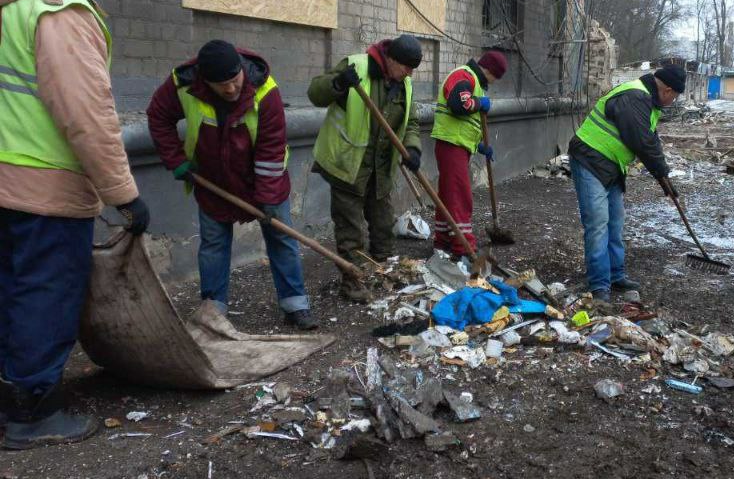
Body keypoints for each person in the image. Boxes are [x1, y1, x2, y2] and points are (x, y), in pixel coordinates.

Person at [0, 0, 149, 449]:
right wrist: (125, 196)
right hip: (45, 186)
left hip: (5, 181)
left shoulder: (9, 2)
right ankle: (33, 412)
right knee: (45, 295)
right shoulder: (59, 11)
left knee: (10, 291)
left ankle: (10, 397)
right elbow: (87, 117)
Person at [147, 40, 318, 329]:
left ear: (242, 70)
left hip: (265, 178)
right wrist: (176, 161)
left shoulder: (266, 91)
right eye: (221, 84)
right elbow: (158, 117)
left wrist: (266, 198)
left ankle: (295, 304)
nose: (230, 89)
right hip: (212, 180)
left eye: (234, 80)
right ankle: (213, 311)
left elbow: (272, 148)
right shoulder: (183, 85)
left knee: (281, 238)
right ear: (205, 80)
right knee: (213, 244)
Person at [309, 34, 423, 301]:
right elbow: (315, 93)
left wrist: (413, 148)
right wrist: (337, 83)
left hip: (380, 169)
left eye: (412, 69)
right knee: (350, 229)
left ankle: (382, 272)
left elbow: (412, 122)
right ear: (391, 59)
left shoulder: (404, 84)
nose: (409, 74)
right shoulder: (356, 67)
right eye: (406, 66)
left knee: (383, 224)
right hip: (348, 164)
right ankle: (353, 282)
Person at [568, 64, 685, 305]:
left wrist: (665, 179)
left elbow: (651, 140)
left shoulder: (648, 103)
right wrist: (660, 171)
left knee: (615, 222)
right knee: (598, 223)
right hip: (590, 158)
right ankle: (599, 286)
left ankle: (615, 275)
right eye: (674, 96)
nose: (673, 101)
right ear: (668, 90)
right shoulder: (634, 97)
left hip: (611, 165)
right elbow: (641, 142)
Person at [431, 49, 507, 256]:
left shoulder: (473, 81)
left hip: (457, 144)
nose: (492, 81)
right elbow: (459, 104)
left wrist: (479, 145)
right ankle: (463, 246)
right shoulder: (464, 76)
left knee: (449, 195)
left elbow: (467, 121)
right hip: (451, 144)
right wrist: (479, 103)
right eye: (494, 76)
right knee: (460, 196)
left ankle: (443, 240)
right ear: (488, 70)